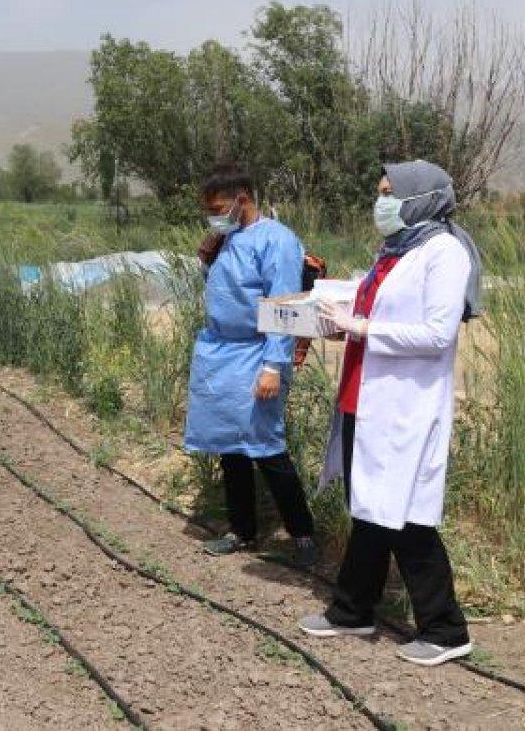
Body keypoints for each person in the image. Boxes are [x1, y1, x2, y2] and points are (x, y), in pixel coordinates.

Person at [298, 159, 481, 667]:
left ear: (421, 199)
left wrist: (361, 328)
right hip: (365, 393)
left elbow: (436, 334)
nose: (381, 201)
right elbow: (375, 314)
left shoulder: (444, 253)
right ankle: (352, 608)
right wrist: (342, 324)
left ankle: (446, 629)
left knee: (403, 513)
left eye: (389, 193)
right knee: (371, 505)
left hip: (404, 404)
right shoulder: (396, 251)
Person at [184, 166, 318, 568]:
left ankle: (303, 535)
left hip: (257, 353)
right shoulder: (224, 239)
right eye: (209, 210)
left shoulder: (276, 241)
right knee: (230, 447)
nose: (214, 216)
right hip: (220, 353)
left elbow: (284, 304)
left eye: (219, 208)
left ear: (242, 199)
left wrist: (274, 366)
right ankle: (242, 530)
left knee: (267, 446)